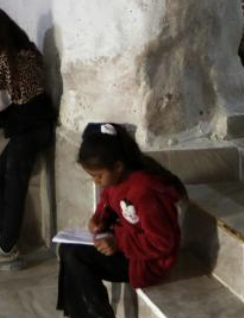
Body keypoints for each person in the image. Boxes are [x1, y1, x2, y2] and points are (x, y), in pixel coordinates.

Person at [56, 123, 186, 318]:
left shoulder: (144, 192)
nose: (96, 181)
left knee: (77, 256)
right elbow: (108, 201)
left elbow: (162, 242)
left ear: (118, 166)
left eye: (98, 176)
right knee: (67, 249)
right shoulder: (117, 179)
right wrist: (100, 219)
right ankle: (77, 313)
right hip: (128, 245)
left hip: (147, 261)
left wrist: (118, 243)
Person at [0, 8, 57, 271]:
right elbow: (15, 97)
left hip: (30, 129)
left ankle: (7, 249)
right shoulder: (27, 51)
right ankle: (1, 236)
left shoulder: (4, 62)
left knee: (14, 183)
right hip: (36, 124)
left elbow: (1, 104)